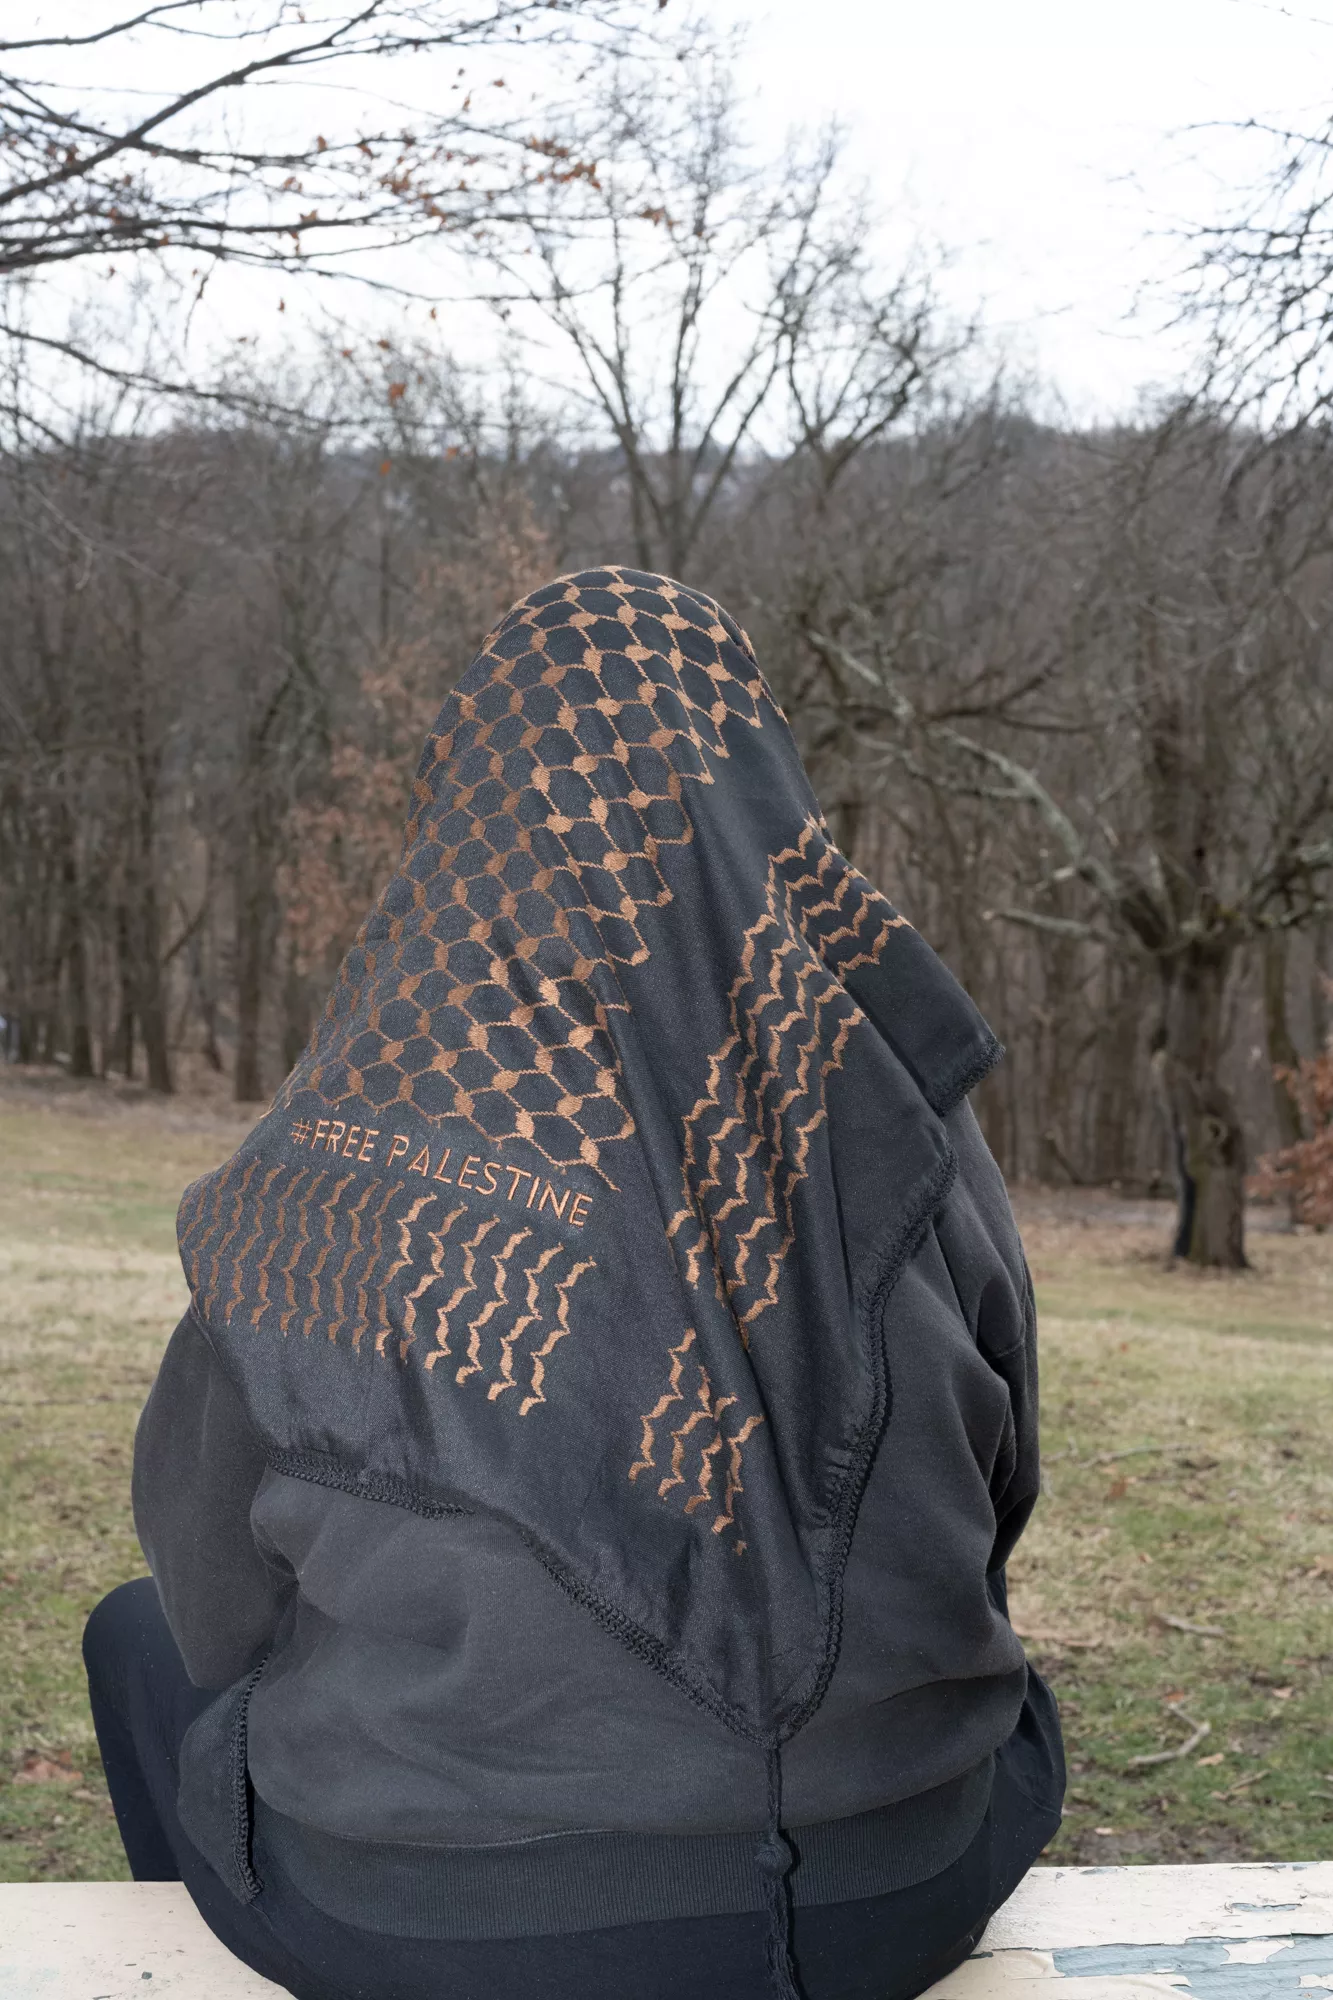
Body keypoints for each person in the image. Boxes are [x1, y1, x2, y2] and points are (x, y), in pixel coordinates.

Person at [85, 567, 1063, 2000]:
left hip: (442, 1929)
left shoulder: (341, 1149)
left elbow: (212, 1597)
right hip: (892, 1892)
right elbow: (1000, 1492)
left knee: (134, 1640)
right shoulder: (903, 1107)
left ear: (471, 808)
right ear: (755, 781)